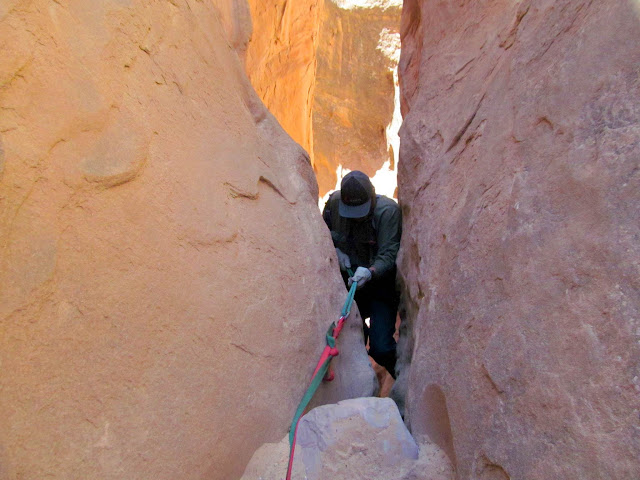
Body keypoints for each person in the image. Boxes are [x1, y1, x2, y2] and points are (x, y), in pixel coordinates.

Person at [322, 170, 402, 379]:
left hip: (379, 287)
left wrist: (370, 271)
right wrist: (334, 251)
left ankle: (405, 388)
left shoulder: (387, 212)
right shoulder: (333, 206)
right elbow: (321, 233)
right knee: (350, 344)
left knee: (381, 347)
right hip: (350, 286)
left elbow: (389, 252)